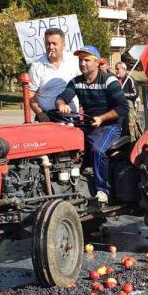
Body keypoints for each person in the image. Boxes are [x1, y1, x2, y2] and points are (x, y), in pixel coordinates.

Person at [55, 46, 128, 204]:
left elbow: (123, 107)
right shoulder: (76, 82)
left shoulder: (109, 80)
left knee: (98, 150)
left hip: (110, 126)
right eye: (80, 60)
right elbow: (62, 97)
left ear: (97, 63)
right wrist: (61, 104)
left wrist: (102, 118)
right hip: (88, 125)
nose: (82, 63)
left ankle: (103, 191)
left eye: (86, 60)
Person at [28, 27, 80, 122]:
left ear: (63, 45)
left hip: (72, 118)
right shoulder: (36, 66)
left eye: (54, 44)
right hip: (47, 118)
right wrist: (40, 114)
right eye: (48, 43)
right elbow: (30, 95)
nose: (51, 47)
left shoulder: (74, 61)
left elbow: (83, 85)